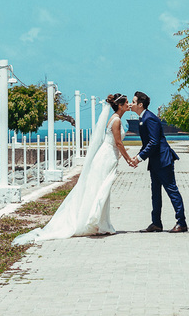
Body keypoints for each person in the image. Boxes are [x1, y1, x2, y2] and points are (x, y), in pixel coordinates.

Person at [14, 93, 136, 244]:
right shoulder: (116, 120)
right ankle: (95, 222)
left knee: (102, 188)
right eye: (126, 103)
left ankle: (99, 222)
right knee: (101, 188)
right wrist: (129, 159)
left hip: (107, 155)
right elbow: (118, 143)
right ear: (120, 105)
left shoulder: (114, 119)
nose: (129, 104)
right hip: (107, 157)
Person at [129, 91, 187, 233]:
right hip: (155, 161)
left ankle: (181, 223)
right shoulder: (143, 119)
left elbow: (154, 142)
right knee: (155, 193)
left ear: (140, 104)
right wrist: (137, 158)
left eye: (133, 102)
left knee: (172, 191)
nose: (130, 104)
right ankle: (156, 223)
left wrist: (139, 158)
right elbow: (147, 143)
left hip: (163, 160)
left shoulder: (150, 119)